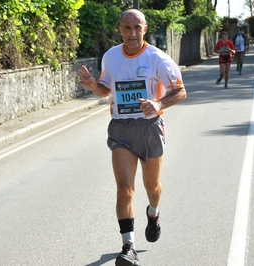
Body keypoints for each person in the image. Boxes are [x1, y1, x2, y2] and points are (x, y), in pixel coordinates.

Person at [77, 9, 187, 266]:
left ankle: (154, 213)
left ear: (145, 29)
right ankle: (129, 247)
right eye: (127, 28)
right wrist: (94, 86)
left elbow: (180, 92)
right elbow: (106, 88)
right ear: (120, 29)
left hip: (150, 128)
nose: (132, 33)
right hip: (121, 128)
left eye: (137, 27)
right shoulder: (111, 56)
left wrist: (158, 103)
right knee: (125, 190)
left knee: (152, 188)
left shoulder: (158, 59)